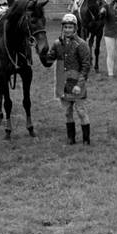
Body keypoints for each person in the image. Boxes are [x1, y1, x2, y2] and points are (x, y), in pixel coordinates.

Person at [40, 13, 93, 145]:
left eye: (70, 27)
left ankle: (86, 139)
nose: (68, 30)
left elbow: (86, 66)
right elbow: (49, 60)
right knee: (67, 112)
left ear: (75, 28)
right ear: (62, 28)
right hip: (63, 83)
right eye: (66, 27)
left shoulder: (81, 44)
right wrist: (41, 53)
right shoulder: (57, 44)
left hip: (77, 83)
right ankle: (71, 138)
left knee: (81, 111)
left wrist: (79, 85)